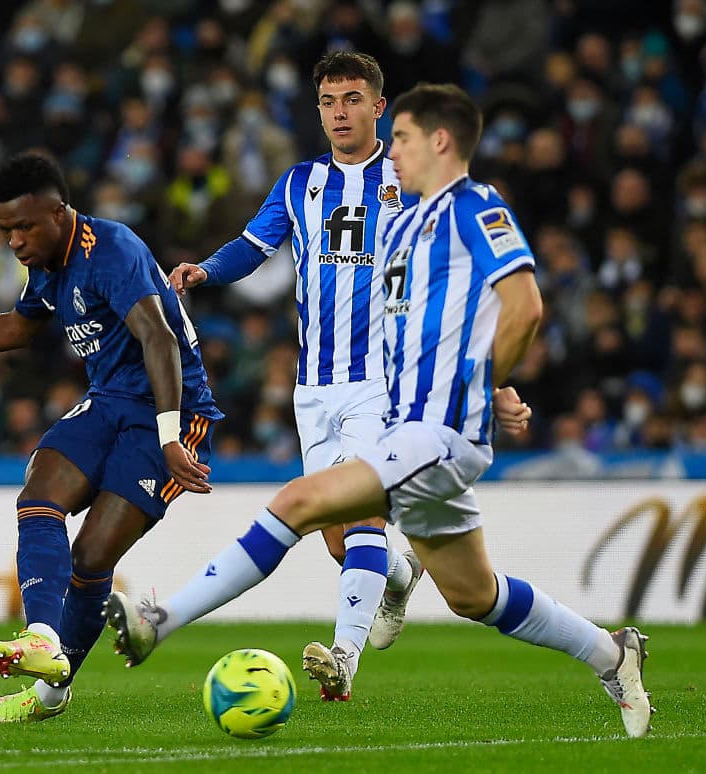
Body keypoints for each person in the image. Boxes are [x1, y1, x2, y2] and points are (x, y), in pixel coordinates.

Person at [106, 83, 654, 738]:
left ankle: (160, 622)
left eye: (402, 137)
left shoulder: (474, 206)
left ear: (440, 142)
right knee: (474, 594)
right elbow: (437, 325)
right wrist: (490, 382)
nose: (389, 149)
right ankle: (612, 653)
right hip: (413, 421)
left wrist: (486, 384)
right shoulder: (413, 221)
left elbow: (525, 306)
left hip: (434, 427)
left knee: (298, 504)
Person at [0, 151, 222, 723]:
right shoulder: (49, 263)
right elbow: (18, 326)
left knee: (93, 555)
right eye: (6, 230)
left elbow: (159, 340)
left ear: (59, 213)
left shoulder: (113, 249)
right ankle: (42, 638)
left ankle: (49, 695)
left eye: (25, 226)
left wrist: (172, 436)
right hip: (108, 402)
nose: (16, 241)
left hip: (171, 409)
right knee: (38, 496)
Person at [168, 51, 422, 701]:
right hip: (314, 388)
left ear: (378, 107)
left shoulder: (408, 176)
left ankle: (343, 658)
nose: (341, 112)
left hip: (382, 382)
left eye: (353, 99)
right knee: (340, 544)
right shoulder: (299, 183)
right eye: (330, 102)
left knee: (362, 517)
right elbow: (253, 248)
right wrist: (205, 271)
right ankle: (398, 575)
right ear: (318, 111)